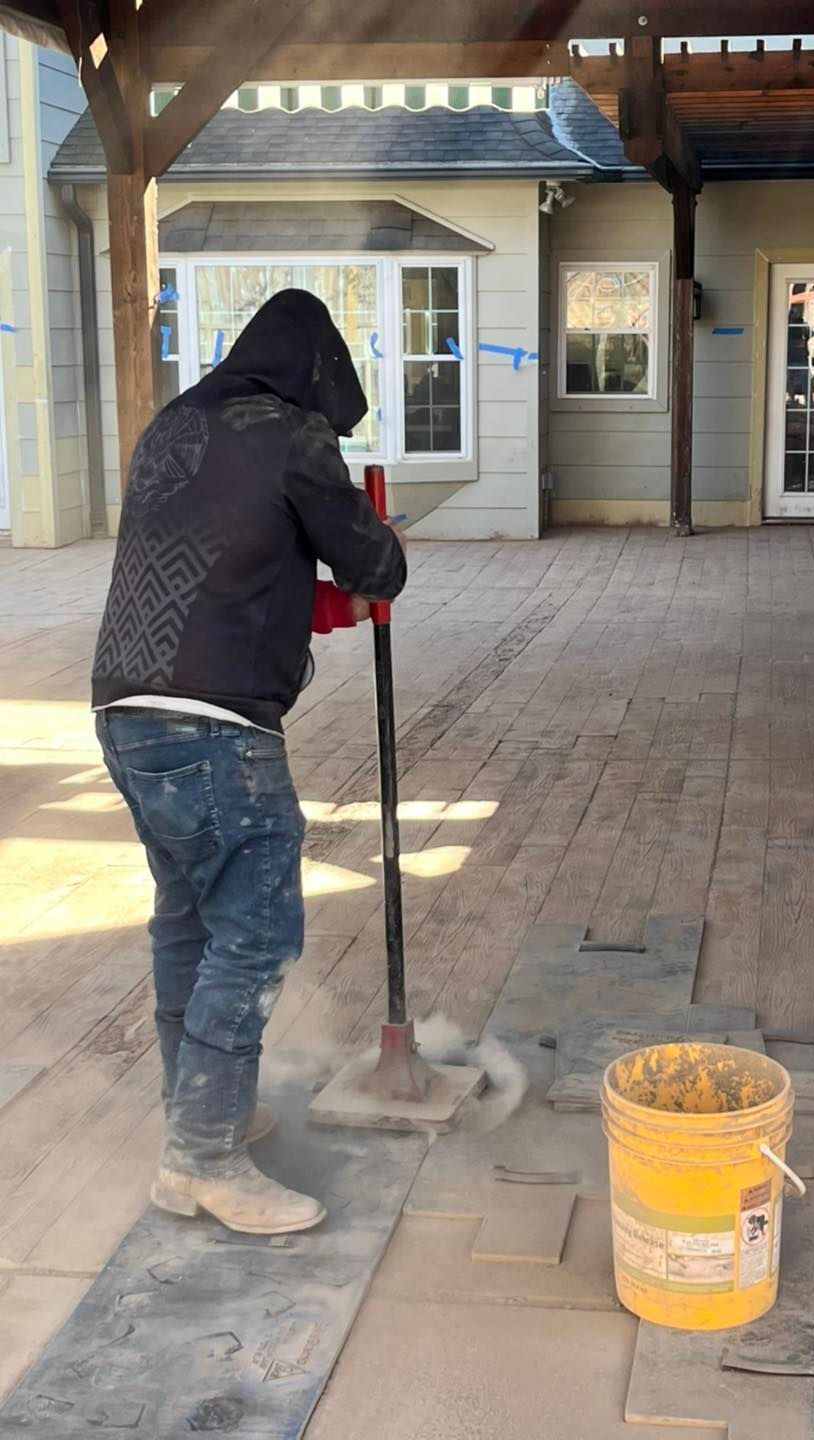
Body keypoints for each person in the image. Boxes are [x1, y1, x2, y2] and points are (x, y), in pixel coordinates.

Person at [92, 290, 406, 1235]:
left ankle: (199, 1114)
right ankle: (204, 1162)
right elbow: (374, 565)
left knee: (187, 921)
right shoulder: (290, 438)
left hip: (123, 712)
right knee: (256, 933)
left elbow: (227, 552)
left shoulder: (173, 426)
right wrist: (375, 536)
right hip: (215, 726)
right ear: (315, 375)